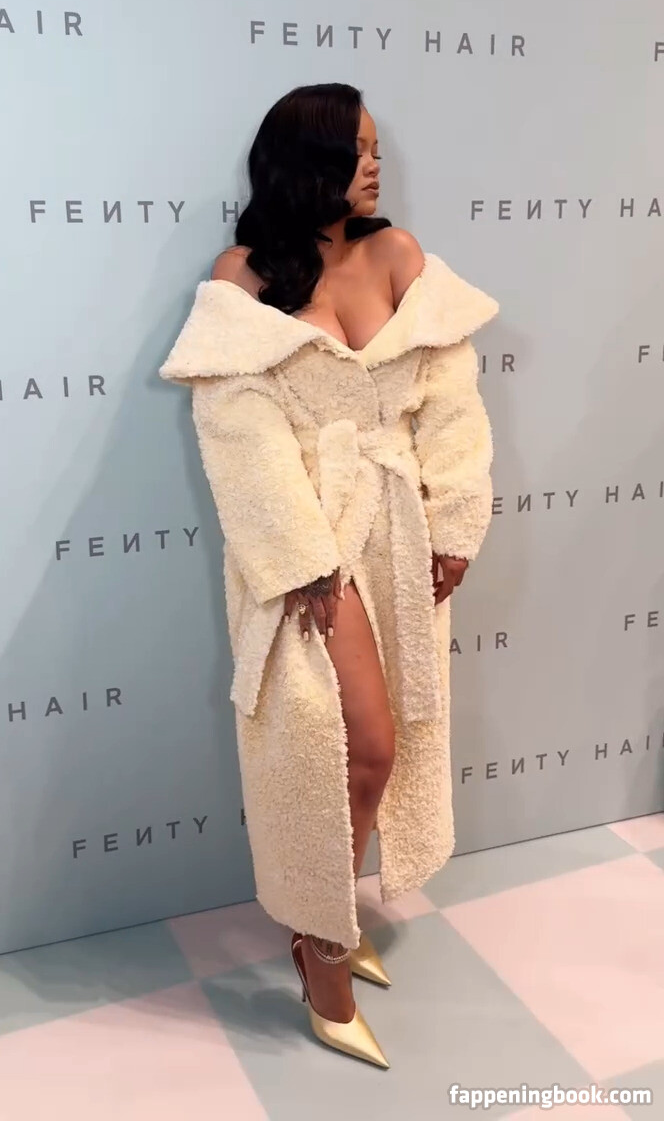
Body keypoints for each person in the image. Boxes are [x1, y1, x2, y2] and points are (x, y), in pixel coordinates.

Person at [159, 82, 499, 1069]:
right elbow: (238, 429)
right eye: (358, 149)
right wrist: (301, 556)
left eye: (377, 147)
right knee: (356, 741)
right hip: (307, 538)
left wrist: (456, 518)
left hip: (399, 528)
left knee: (381, 747)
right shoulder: (244, 275)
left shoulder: (399, 256)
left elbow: (452, 396)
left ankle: (326, 917)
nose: (376, 166)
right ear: (306, 161)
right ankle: (321, 945)